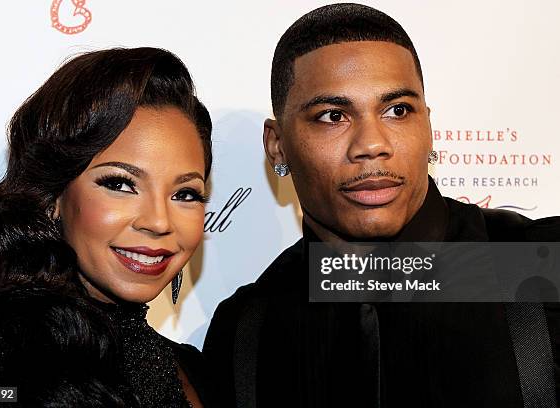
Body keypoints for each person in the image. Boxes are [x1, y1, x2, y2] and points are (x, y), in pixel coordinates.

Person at [203, 4, 560, 407]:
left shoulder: (542, 263)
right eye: (332, 116)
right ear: (277, 144)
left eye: (397, 111)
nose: (372, 144)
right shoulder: (247, 328)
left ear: (427, 125)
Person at [0, 47, 214, 407]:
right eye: (120, 184)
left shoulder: (194, 371)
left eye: (185, 193)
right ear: (53, 197)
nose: (158, 222)